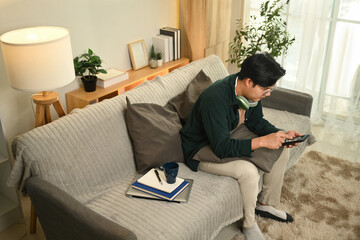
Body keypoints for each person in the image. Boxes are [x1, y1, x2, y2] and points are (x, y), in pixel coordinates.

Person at [180, 53, 302, 240]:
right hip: (200, 149)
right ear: (248, 82)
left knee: (279, 148)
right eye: (265, 89)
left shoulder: (250, 95)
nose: (267, 94)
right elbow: (221, 148)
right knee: (248, 171)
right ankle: (249, 224)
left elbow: (256, 122)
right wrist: (261, 141)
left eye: (271, 89)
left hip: (228, 134)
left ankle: (264, 204)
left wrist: (280, 134)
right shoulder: (216, 98)